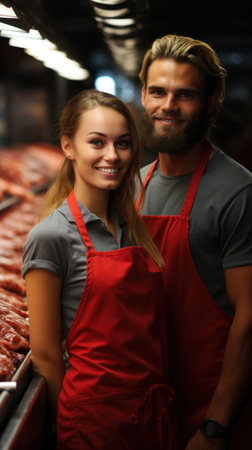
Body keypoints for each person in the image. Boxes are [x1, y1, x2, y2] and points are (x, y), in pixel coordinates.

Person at [22, 89, 181, 449]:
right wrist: (75, 421)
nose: (112, 155)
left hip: (150, 414)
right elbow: (46, 355)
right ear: (68, 147)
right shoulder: (50, 236)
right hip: (94, 426)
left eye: (122, 144)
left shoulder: (132, 228)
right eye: (97, 142)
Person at [136, 34, 252, 450]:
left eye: (184, 95)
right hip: (146, 407)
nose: (168, 106)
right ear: (143, 94)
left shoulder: (236, 191)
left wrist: (215, 425)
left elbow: (250, 315)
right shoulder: (133, 185)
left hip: (212, 410)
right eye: (158, 92)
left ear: (211, 100)